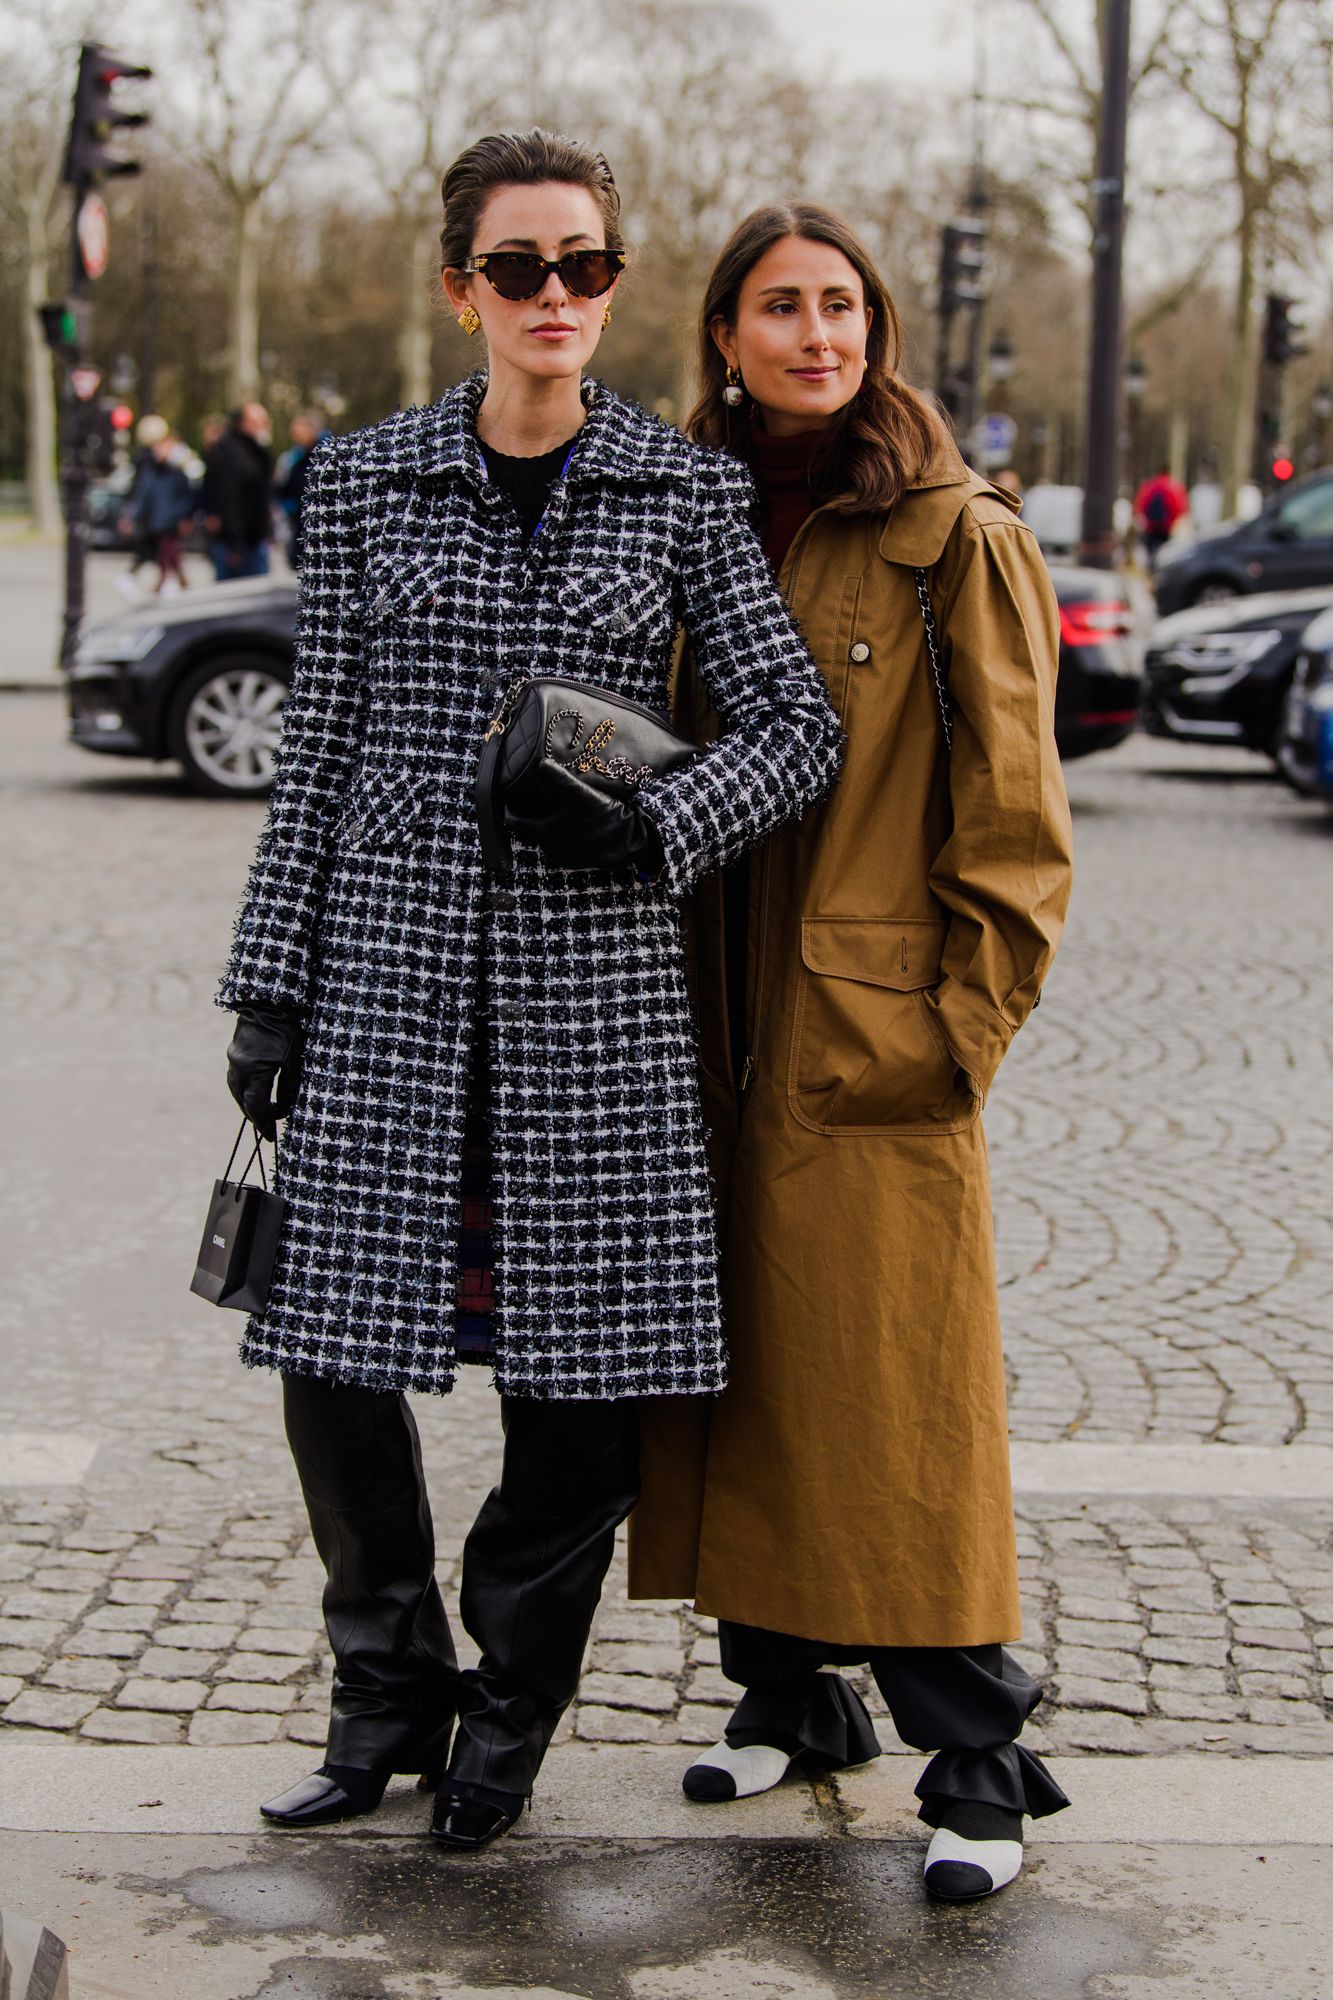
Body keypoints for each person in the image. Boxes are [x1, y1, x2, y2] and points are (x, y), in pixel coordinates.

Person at [217, 133, 841, 1852]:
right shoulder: (361, 481)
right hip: (386, 996)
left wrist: (650, 824)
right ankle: (382, 1686)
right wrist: (270, 987)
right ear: (460, 288)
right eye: (519, 269)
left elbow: (798, 731)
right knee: (329, 1360)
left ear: (615, 288)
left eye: (583, 267)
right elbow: (317, 750)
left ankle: (510, 1705)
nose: (554, 298)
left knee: (579, 1399)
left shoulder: (682, 493)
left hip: (597, 1015)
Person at [630, 203, 1075, 1904]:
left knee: (889, 1397)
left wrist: (955, 1030)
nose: (813, 334)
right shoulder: (682, 511)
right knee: (733, 1368)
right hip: (690, 1025)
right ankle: (784, 1695)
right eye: (777, 308)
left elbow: (1017, 819)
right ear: (724, 338)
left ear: (875, 331)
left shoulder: (949, 533)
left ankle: (973, 1754)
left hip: (863, 1030)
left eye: (839, 306)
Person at [202, 403, 273, 579]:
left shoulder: (254, 452)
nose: (264, 426)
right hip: (239, 543)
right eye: (259, 421)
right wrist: (234, 542)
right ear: (244, 423)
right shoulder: (233, 455)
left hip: (251, 538)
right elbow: (230, 499)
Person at [128, 427, 194, 594]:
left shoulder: (177, 474)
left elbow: (186, 497)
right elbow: (144, 495)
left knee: (167, 551)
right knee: (169, 553)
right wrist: (135, 516)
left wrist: (184, 516)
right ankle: (181, 581)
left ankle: (163, 582)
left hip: (170, 520)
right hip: (157, 519)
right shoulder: (150, 471)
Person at [273, 410, 326, 571]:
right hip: (300, 524)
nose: (293, 433)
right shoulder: (296, 457)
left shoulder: (322, 456)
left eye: (298, 429)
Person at [1133, 464, 1188, 567]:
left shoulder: (1150, 485)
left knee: (1150, 549)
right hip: (1165, 527)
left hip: (1150, 526)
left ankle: (1150, 568)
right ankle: (1160, 568)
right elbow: (1178, 507)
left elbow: (1141, 503)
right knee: (1163, 549)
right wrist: (1172, 521)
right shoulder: (1173, 486)